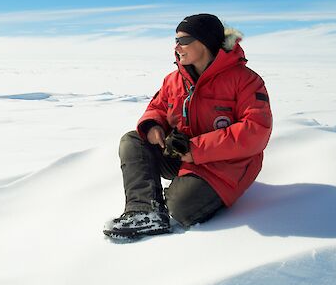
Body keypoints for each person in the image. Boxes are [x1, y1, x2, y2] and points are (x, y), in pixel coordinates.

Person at [103, 13, 272, 239]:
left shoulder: (245, 80)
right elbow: (158, 107)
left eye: (183, 40)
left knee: (180, 208)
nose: (177, 47)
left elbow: (256, 131)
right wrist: (154, 126)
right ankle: (145, 212)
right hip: (181, 153)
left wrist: (196, 149)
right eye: (175, 41)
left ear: (204, 42)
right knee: (134, 140)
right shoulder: (174, 79)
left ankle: (179, 195)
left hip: (225, 166)